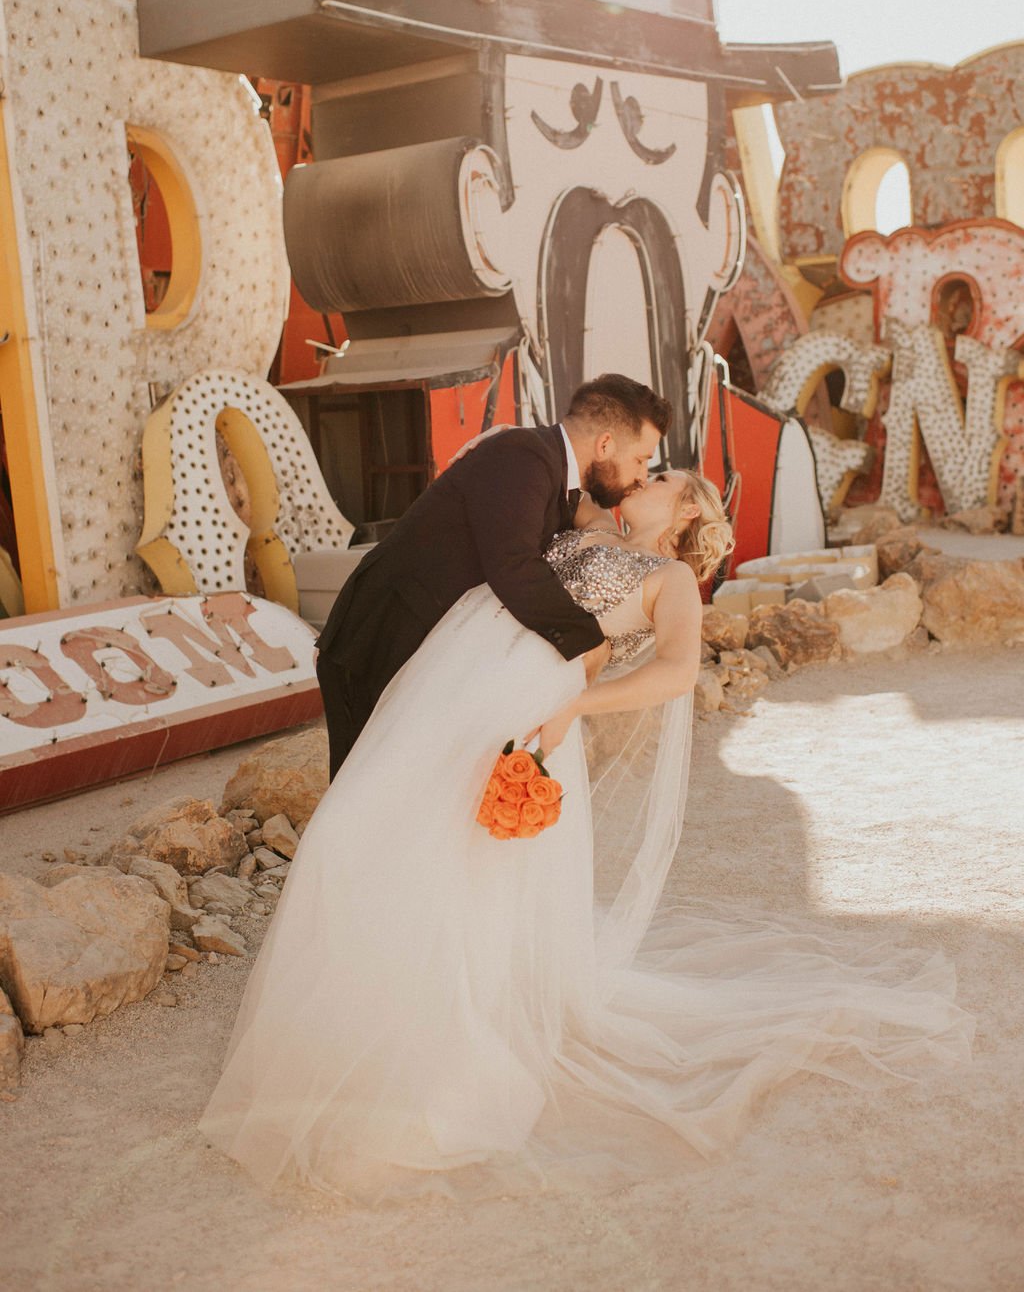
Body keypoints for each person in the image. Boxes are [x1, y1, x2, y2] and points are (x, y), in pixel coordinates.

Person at [198, 443, 973, 1204]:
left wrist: (574, 705)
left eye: (662, 475)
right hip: (445, 690)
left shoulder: (669, 579)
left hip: (524, 714)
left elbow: (672, 671)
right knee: (357, 838)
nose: (643, 476)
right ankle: (350, 1028)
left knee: (459, 875)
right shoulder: (572, 529)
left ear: (689, 506)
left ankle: (433, 1054)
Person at [313, 373, 672, 779]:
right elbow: (513, 565)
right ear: (605, 444)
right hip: (379, 641)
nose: (642, 474)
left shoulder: (549, 470)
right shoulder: (524, 455)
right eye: (641, 459)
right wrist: (588, 642)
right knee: (362, 789)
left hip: (419, 653)